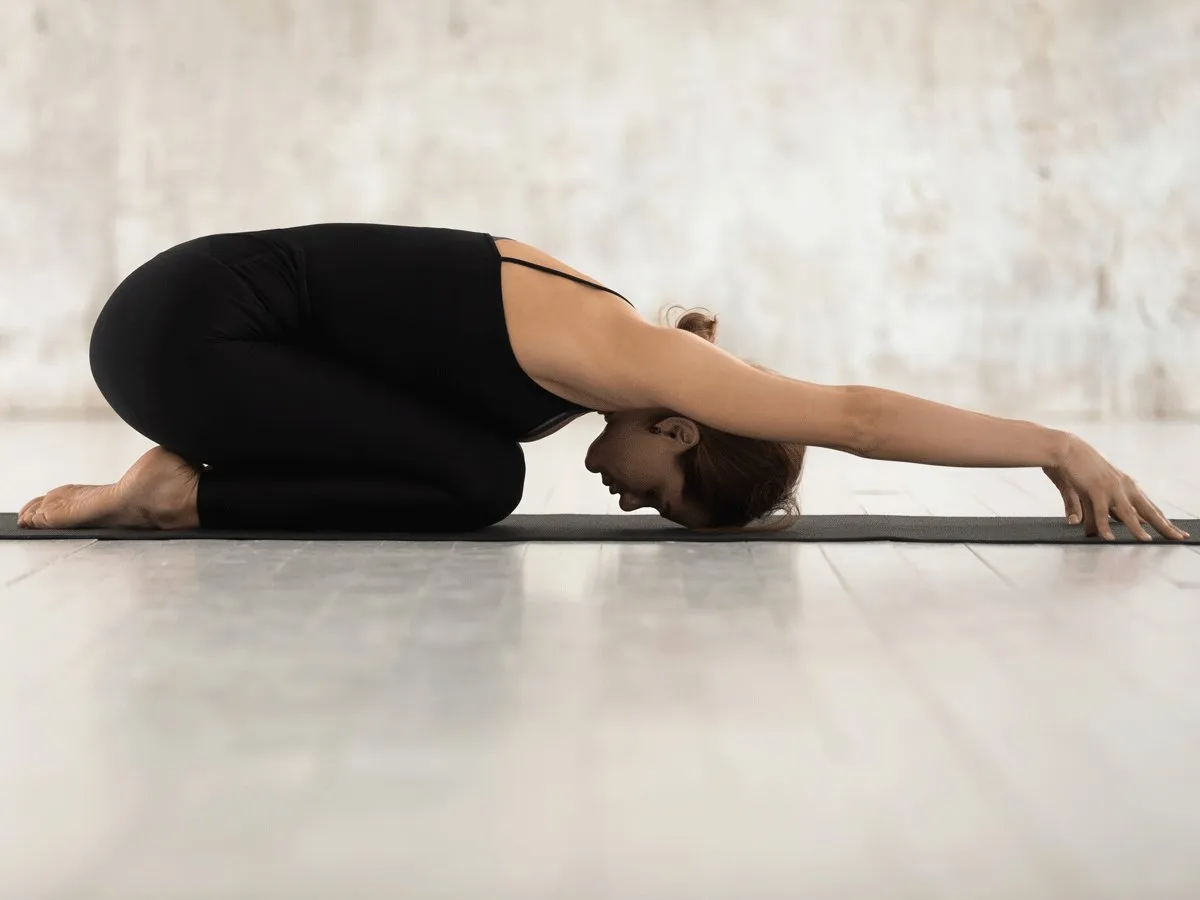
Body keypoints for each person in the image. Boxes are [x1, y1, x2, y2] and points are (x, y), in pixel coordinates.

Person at [17, 224, 1189, 542]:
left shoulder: (595, 353)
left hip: (195, 325)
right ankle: (168, 497)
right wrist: (1053, 445)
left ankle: (183, 484)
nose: (631, 501)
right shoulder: (632, 360)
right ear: (681, 427)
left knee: (477, 469)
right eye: (666, 496)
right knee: (478, 481)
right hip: (185, 333)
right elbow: (859, 419)